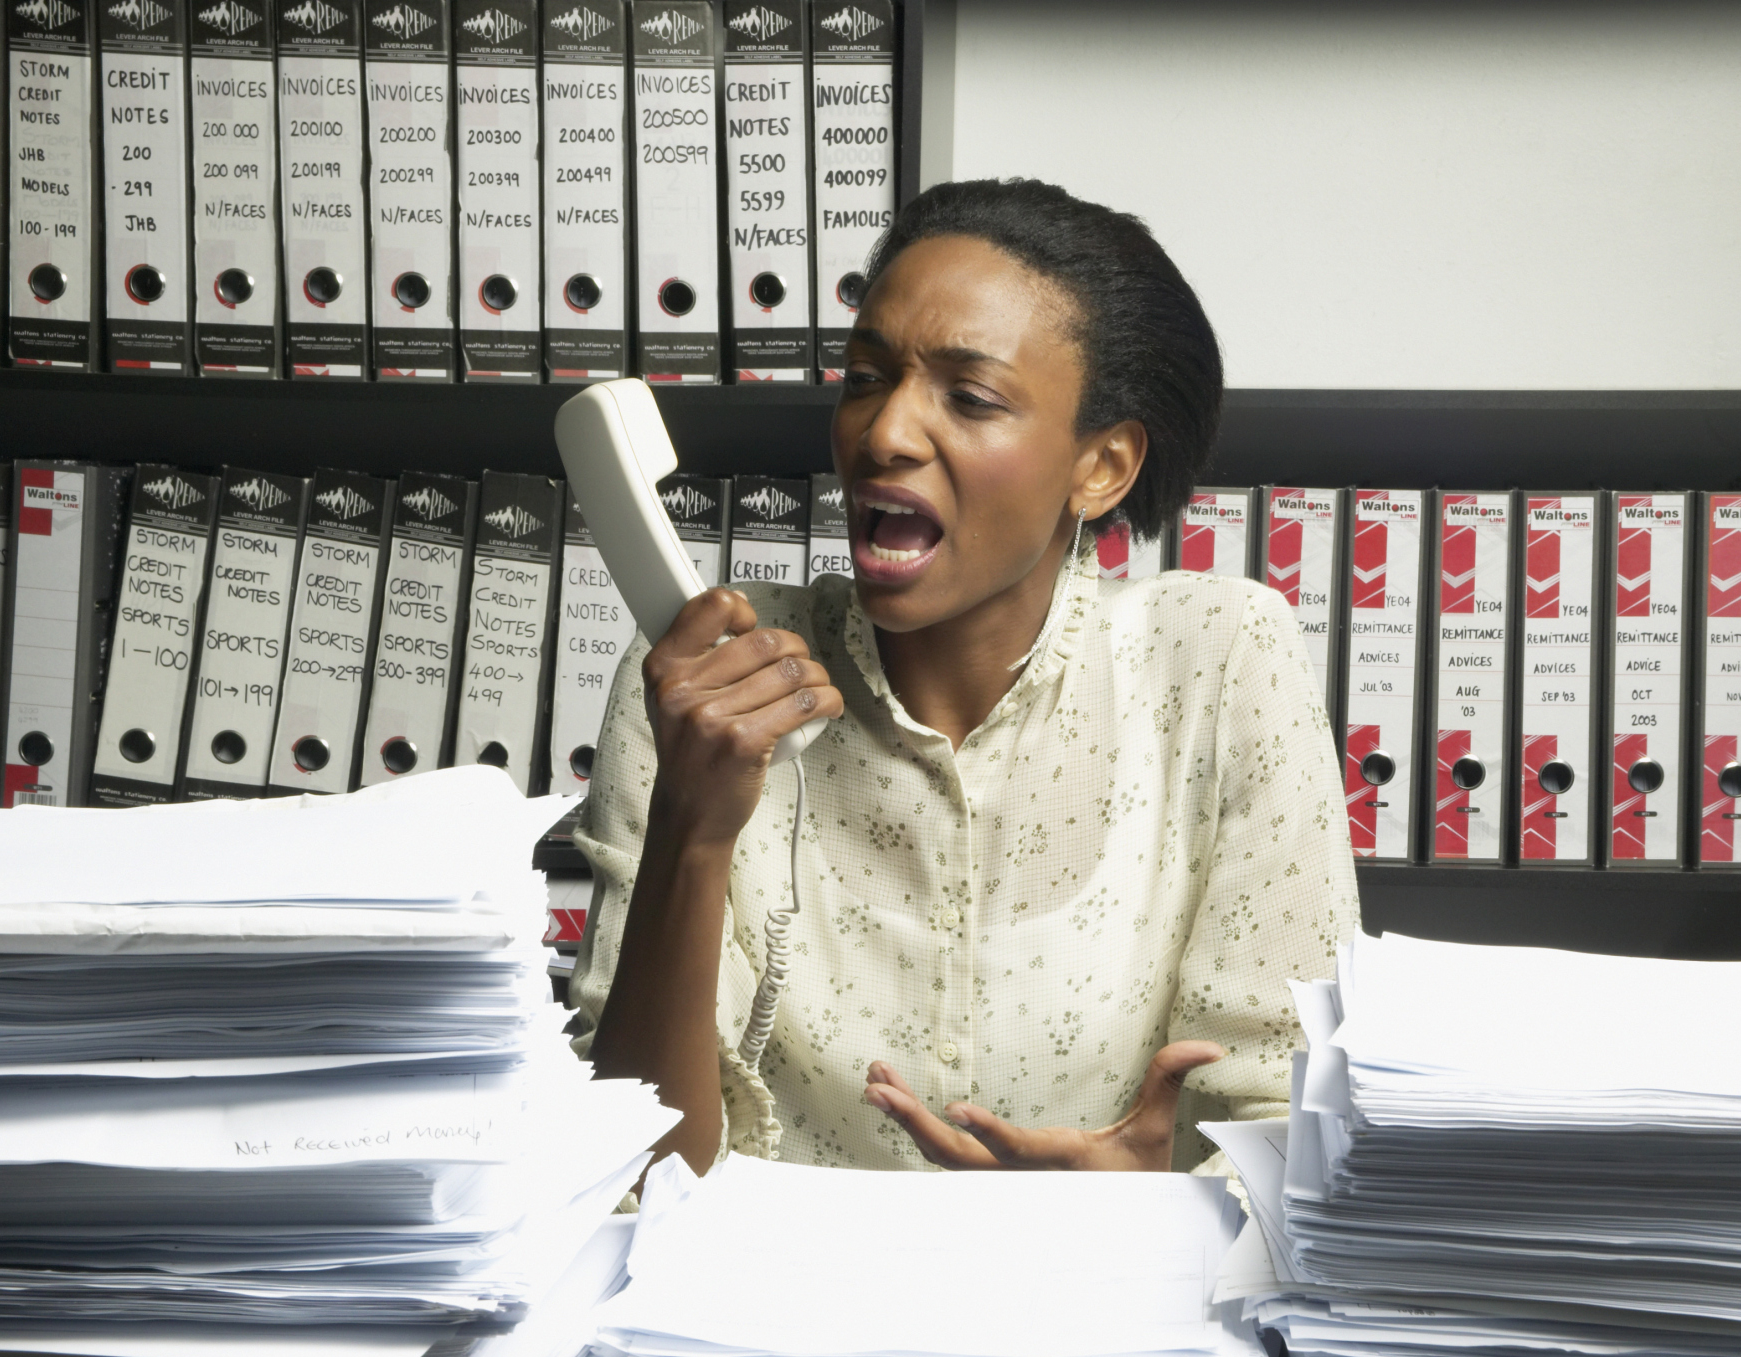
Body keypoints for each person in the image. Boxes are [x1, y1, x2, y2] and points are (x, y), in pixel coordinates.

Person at [570, 178, 1360, 1175]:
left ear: (1102, 467)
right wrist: (694, 827)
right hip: (777, 1319)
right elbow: (636, 1179)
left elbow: (1297, 1134)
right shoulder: (707, 679)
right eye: (864, 378)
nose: (885, 433)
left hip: (1114, 1308)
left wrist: (1150, 1196)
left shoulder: (1215, 656)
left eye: (969, 397)